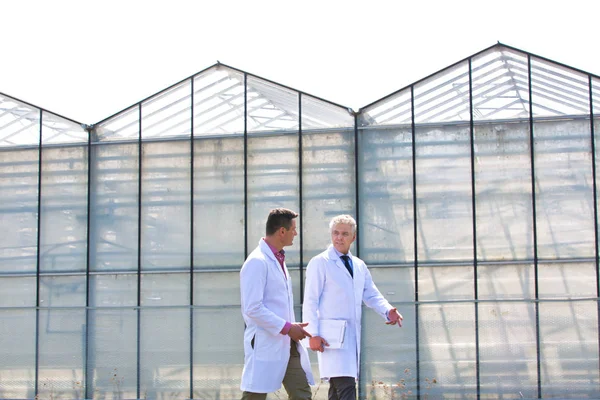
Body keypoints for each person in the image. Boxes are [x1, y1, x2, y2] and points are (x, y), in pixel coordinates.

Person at [302, 214, 403, 400]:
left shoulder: (359, 265)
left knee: (337, 389)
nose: (339, 237)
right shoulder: (320, 263)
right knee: (346, 387)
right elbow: (310, 301)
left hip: (350, 337)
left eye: (344, 234)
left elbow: (371, 294)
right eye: (335, 233)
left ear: (353, 237)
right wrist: (312, 334)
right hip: (330, 337)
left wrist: (388, 310)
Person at [240, 208, 315, 400]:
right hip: (266, 342)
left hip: (286, 343)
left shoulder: (277, 258)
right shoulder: (257, 262)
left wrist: (291, 327)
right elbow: (252, 308)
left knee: (302, 395)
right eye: (293, 229)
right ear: (282, 231)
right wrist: (287, 327)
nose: (295, 234)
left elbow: (277, 303)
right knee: (254, 396)